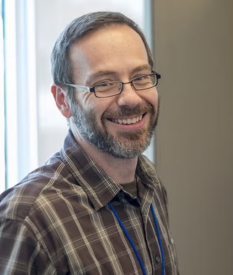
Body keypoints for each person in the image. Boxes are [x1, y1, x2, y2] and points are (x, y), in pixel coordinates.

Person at [0, 11, 179, 275]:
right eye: (104, 84)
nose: (130, 98)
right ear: (63, 100)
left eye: (140, 77)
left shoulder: (149, 181)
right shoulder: (27, 218)